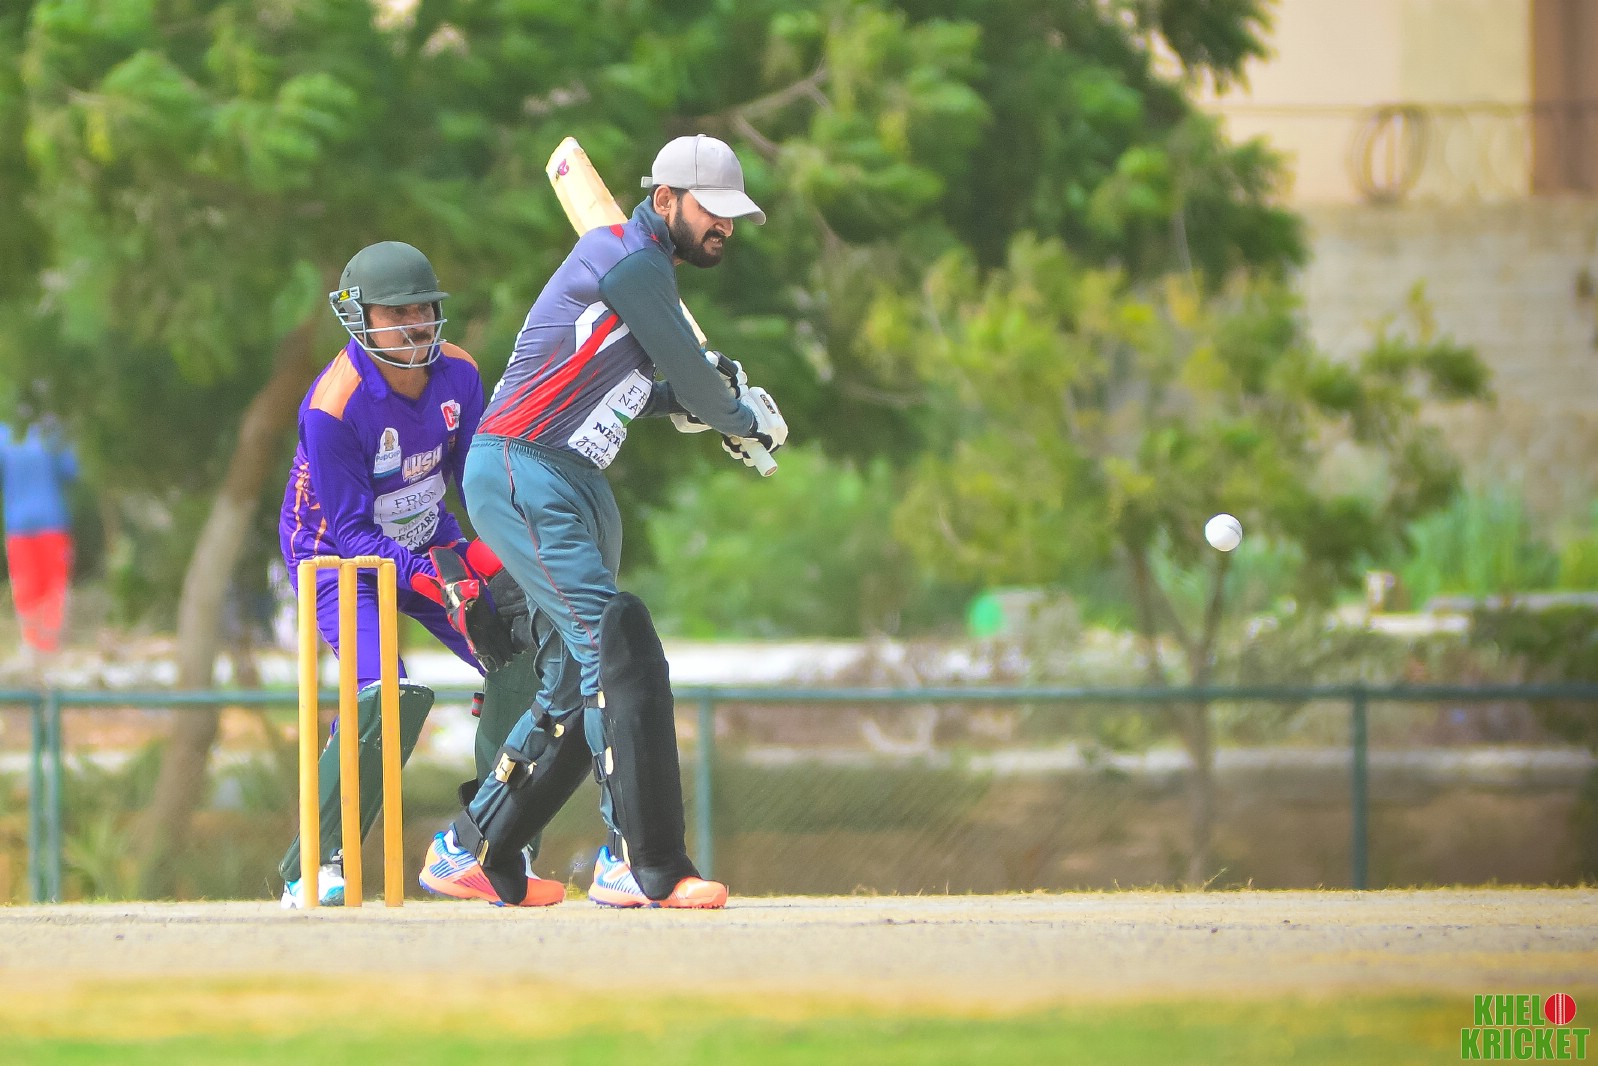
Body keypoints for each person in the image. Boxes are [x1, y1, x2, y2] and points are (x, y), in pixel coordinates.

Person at [419, 134, 787, 909]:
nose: (724, 226)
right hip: (523, 466)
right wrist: (737, 412)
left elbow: (629, 385)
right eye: (712, 210)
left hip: (576, 476)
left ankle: (472, 848)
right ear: (665, 199)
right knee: (615, 648)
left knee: (574, 679)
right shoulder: (626, 260)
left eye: (733, 215)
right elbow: (694, 379)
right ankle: (638, 862)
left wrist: (697, 402)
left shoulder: (643, 277)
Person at [276, 240, 568, 908]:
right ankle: (313, 864)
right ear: (359, 317)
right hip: (334, 555)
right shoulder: (333, 406)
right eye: (397, 312)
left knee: (527, 660)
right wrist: (437, 580)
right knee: (386, 695)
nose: (416, 324)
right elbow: (353, 533)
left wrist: (497, 552)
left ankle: (494, 844)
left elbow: (475, 481)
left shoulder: (459, 373)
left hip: (427, 535)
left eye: (424, 309)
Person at [0, 417, 79, 669]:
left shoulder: (4, 433)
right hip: (51, 523)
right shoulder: (52, 430)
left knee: (26, 587)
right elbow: (71, 469)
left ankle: (32, 646)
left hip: (18, 525)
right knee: (54, 586)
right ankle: (49, 649)